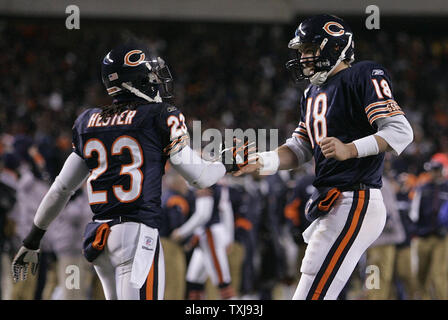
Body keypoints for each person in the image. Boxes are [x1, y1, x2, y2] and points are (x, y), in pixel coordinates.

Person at [11, 40, 247, 300]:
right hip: (137, 235)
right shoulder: (160, 115)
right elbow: (200, 177)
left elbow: (61, 189)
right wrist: (227, 163)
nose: (157, 82)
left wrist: (32, 240)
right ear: (135, 80)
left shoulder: (88, 121)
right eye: (151, 76)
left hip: (98, 238)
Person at [234, 14, 413, 300]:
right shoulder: (312, 91)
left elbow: (400, 131)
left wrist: (350, 148)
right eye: (301, 51)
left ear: (332, 47)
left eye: (308, 50)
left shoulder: (363, 74)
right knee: (310, 287)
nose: (303, 57)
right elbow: (301, 147)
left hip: (357, 198)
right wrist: (261, 162)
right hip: (334, 202)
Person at [409, 159, 448, 299]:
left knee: (439, 274)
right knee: (420, 275)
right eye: (432, 170)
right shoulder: (423, 188)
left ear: (441, 171)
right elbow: (413, 213)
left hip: (442, 239)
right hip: (423, 237)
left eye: (436, 170)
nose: (434, 173)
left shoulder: (447, 187)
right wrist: (415, 231)